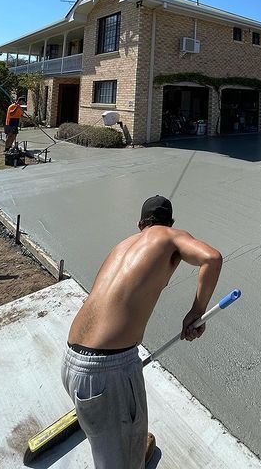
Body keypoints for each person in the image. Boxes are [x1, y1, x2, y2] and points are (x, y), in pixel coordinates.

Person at [62, 195, 223, 468]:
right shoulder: (172, 237)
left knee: (107, 448)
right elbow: (212, 258)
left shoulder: (122, 245)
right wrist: (197, 312)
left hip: (70, 361)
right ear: (170, 223)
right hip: (108, 374)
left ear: (140, 224)